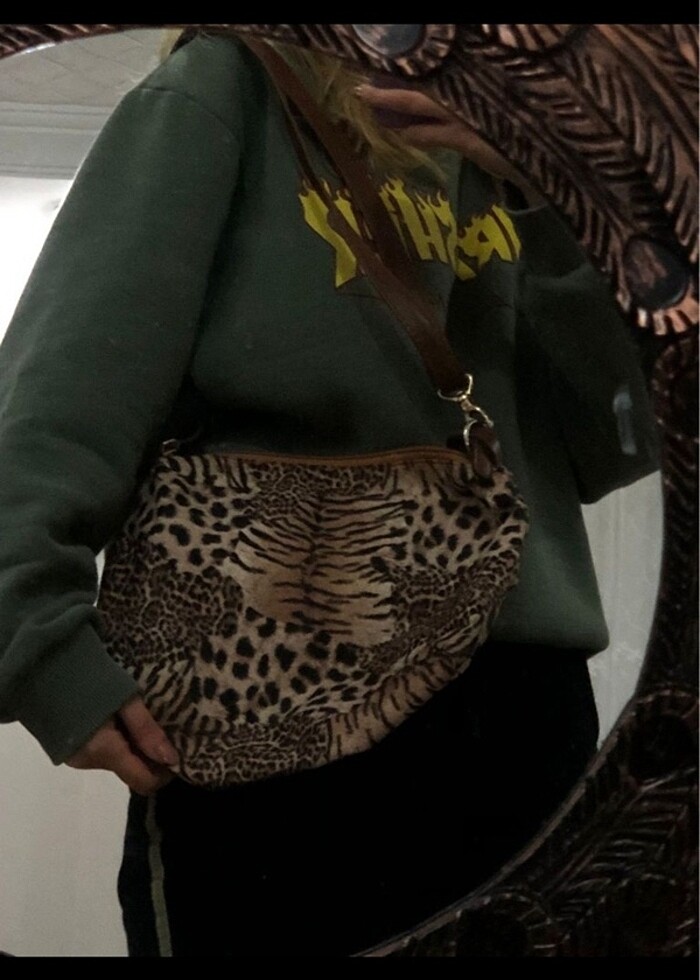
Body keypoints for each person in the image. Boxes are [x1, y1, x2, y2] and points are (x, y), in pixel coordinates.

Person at [0, 29, 658, 957]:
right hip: (273, 690)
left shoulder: (524, 131)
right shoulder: (227, 86)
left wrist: (561, 188)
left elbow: (615, 441)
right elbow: (62, 392)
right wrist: (36, 646)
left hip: (521, 715)